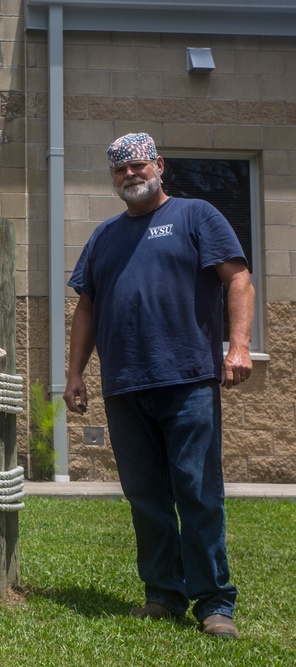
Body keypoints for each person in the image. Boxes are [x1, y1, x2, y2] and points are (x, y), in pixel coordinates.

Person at [63, 132, 254, 640]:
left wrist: (238, 346)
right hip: (124, 386)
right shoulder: (104, 236)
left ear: (159, 166)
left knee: (196, 490)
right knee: (145, 495)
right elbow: (87, 309)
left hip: (188, 379)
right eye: (120, 169)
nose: (130, 174)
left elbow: (238, 279)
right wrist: (75, 374)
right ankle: (163, 595)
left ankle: (215, 604)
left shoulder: (197, 216)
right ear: (112, 177)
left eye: (138, 166)